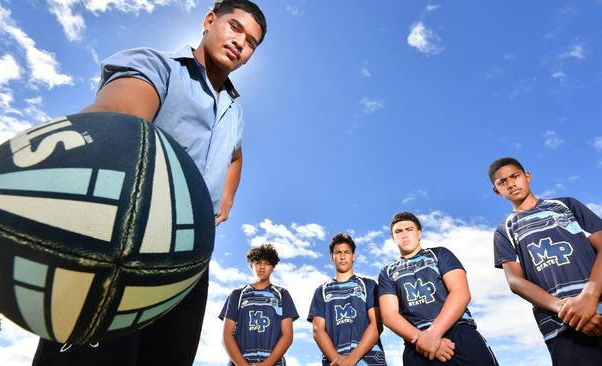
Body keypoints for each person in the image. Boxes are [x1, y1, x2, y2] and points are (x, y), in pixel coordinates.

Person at [32, 1, 267, 365]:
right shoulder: (158, 66)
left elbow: (235, 154)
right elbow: (119, 111)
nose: (240, 42)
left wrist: (228, 197)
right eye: (234, 27)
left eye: (251, 41)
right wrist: (83, 140)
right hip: (122, 244)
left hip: (190, 262)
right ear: (209, 20)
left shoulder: (234, 109)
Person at [489, 156, 602, 365]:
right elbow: (516, 282)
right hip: (562, 324)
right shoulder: (504, 230)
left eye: (515, 176)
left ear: (527, 176)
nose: (511, 184)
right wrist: (567, 309)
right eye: (502, 182)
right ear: (496, 190)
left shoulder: (566, 205)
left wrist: (589, 297)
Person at [378, 211, 498, 366]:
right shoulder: (387, 272)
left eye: (409, 229)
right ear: (393, 238)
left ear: (419, 233)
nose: (404, 235)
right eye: (398, 232)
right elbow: (389, 315)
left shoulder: (439, 254)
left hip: (458, 333)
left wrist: (433, 334)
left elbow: (461, 293)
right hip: (417, 346)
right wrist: (421, 339)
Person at [308, 233, 387, 365]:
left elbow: (377, 324)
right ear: (332, 257)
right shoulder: (321, 291)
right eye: (338, 252)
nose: (343, 256)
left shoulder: (368, 285)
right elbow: (318, 330)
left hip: (370, 360)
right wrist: (336, 359)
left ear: (353, 256)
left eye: (347, 252)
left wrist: (352, 359)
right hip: (335, 362)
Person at [219, 244, 298, 365]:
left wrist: (267, 364)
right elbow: (226, 336)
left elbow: (287, 336)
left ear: (273, 267)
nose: (262, 267)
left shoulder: (282, 294)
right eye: (258, 262)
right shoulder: (237, 295)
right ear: (251, 265)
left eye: (267, 263)